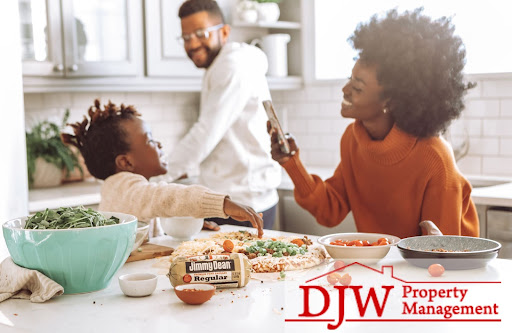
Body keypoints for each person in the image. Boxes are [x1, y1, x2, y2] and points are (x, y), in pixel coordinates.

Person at [269, 8, 479, 239]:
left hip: (433, 270)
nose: (345, 90)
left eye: (357, 87)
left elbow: (441, 255)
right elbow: (330, 209)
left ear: (391, 100)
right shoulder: (353, 139)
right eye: (350, 79)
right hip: (385, 268)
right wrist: (291, 162)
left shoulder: (434, 159)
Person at [61, 99, 263, 238]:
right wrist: (222, 203)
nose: (159, 145)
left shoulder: (121, 188)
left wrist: (185, 226)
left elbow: (151, 217)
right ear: (126, 163)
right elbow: (166, 197)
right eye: (150, 140)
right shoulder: (125, 187)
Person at [163, 0, 281, 231]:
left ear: (225, 32)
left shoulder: (233, 66)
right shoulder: (220, 65)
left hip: (242, 202)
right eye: (186, 38)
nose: (193, 43)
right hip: (231, 198)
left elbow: (205, 134)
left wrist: (153, 180)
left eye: (200, 33)